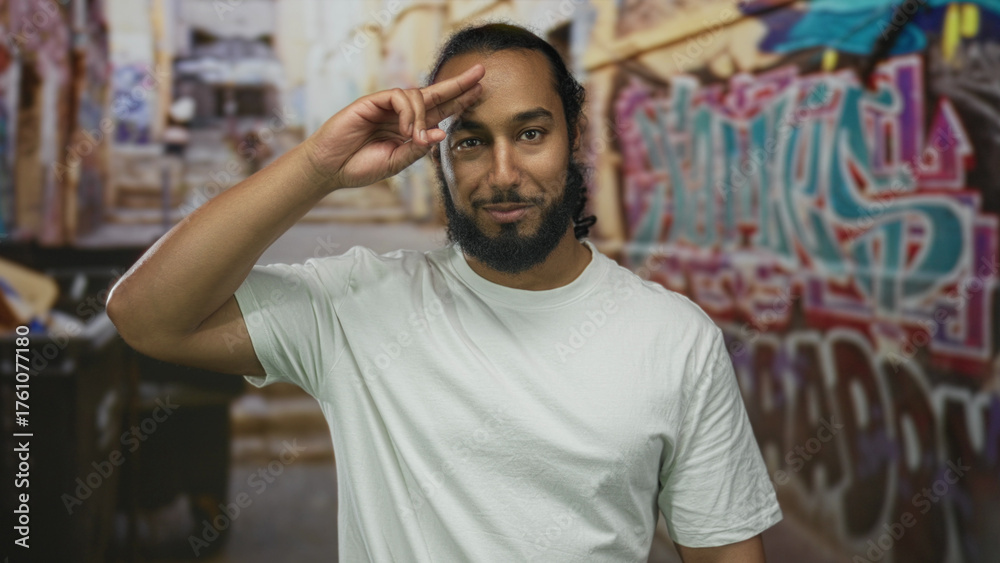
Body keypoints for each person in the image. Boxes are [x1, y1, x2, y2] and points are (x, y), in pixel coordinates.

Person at [108, 22, 782, 562]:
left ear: (574, 136)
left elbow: (724, 551)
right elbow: (145, 316)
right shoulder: (359, 305)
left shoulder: (675, 339)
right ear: (436, 153)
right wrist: (318, 166)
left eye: (531, 133)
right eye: (470, 142)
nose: (503, 172)